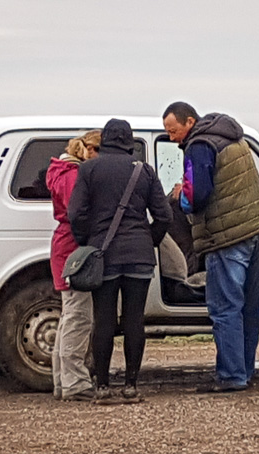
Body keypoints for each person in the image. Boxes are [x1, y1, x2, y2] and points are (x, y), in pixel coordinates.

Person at [162, 102, 259, 392]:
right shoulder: (234, 138)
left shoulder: (198, 146)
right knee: (249, 307)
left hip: (227, 236)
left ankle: (231, 376)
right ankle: (245, 371)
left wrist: (180, 197)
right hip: (256, 228)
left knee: (224, 308)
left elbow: (197, 196)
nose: (172, 137)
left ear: (190, 122)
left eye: (173, 131)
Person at [68, 118, 172, 403]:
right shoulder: (144, 171)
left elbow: (76, 213)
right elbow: (164, 216)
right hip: (139, 255)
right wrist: (148, 238)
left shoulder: (88, 169)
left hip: (104, 253)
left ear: (105, 140)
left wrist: (87, 242)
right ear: (129, 141)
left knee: (103, 320)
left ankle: (102, 387)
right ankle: (131, 385)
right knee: (134, 320)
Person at [48, 130, 101, 402]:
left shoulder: (62, 171)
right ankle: (75, 382)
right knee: (79, 317)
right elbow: (77, 213)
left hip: (64, 248)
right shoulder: (72, 175)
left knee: (70, 314)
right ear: (90, 150)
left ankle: (63, 381)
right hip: (73, 250)